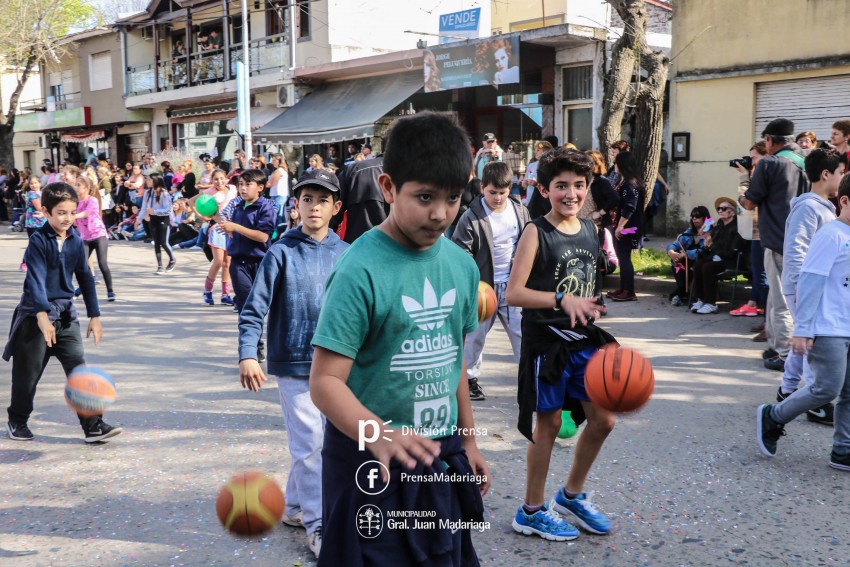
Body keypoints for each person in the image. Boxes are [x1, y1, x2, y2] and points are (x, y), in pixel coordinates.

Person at [309, 112, 490, 565]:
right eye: (424, 196)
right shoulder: (359, 270)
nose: (440, 213)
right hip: (368, 461)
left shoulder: (462, 267)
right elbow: (325, 383)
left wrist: (467, 441)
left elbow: (453, 361)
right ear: (388, 188)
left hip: (439, 455)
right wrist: (378, 433)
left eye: (453, 198)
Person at [506, 148, 616, 541]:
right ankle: (532, 510)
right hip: (547, 344)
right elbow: (514, 294)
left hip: (583, 342)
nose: (571, 194)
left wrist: (590, 307)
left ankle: (570, 496)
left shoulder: (591, 229)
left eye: (579, 186)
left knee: (603, 420)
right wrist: (559, 299)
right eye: (561, 186)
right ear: (543, 188)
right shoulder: (536, 230)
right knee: (549, 424)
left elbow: (587, 283)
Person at [238, 169, 348, 558]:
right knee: (311, 445)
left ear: (335, 207)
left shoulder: (347, 254)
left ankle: (297, 507)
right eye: (306, 199)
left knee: (323, 445)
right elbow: (254, 309)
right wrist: (249, 353)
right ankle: (319, 526)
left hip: (338, 369)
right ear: (295, 205)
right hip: (293, 366)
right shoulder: (281, 251)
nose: (313, 206)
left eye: (322, 200)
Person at [3, 182, 121, 443]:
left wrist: (95, 315)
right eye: (61, 213)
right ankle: (17, 420)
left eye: (71, 212)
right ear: (46, 212)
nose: (67, 218)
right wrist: (42, 317)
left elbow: (86, 279)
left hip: (67, 318)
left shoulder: (76, 240)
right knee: (27, 376)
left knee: (79, 371)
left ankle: (92, 425)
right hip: (36, 319)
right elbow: (34, 279)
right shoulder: (38, 240)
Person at [756, 177, 850, 470]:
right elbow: (810, 281)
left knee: (849, 392)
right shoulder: (832, 234)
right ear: (844, 201)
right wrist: (804, 327)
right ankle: (774, 416)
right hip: (828, 327)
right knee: (826, 388)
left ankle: (843, 450)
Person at [776, 149, 846, 424]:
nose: (842, 177)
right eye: (840, 172)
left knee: (803, 339)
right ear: (826, 174)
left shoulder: (824, 208)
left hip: (813, 285)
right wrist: (800, 288)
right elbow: (796, 251)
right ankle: (815, 401)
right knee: (810, 338)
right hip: (802, 285)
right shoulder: (808, 207)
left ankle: (787, 389)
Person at [452, 161, 529, 401]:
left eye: (502, 192)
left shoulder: (520, 211)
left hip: (514, 286)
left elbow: (529, 244)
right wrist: (473, 282)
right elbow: (460, 251)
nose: (497, 197)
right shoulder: (471, 217)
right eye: (492, 192)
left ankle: (529, 378)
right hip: (482, 288)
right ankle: (469, 379)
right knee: (475, 336)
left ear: (511, 189)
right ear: (482, 188)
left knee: (522, 333)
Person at [740, 118, 810, 372]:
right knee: (783, 297)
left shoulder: (769, 164)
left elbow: (749, 203)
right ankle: (774, 342)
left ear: (769, 140)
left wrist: (742, 185)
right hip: (806, 239)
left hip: (779, 239)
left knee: (781, 298)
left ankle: (784, 353)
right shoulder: (808, 159)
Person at [218, 169, 277, 317]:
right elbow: (228, 223)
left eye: (248, 184)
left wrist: (236, 227)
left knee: (258, 305)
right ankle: (250, 340)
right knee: (245, 305)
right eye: (240, 184)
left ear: (260, 187)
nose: (243, 188)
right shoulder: (237, 205)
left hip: (260, 262)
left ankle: (256, 338)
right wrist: (227, 228)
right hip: (238, 262)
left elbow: (263, 237)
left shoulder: (266, 207)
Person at [730, 142, 769, 322]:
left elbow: (747, 202)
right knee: (760, 273)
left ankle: (771, 323)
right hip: (759, 230)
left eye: (754, 157)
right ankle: (756, 306)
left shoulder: (766, 175)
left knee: (762, 276)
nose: (751, 162)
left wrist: (744, 178)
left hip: (763, 232)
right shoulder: (766, 173)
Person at [688, 197, 745, 314]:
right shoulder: (719, 226)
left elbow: (732, 251)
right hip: (717, 257)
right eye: (719, 208)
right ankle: (700, 299)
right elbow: (712, 245)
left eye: (724, 208)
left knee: (707, 267)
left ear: (732, 212)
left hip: (731, 260)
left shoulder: (738, 228)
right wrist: (707, 241)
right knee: (698, 264)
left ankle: (711, 303)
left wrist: (712, 246)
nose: (720, 211)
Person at [607, 151, 644, 302]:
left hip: (629, 228)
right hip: (624, 226)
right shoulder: (626, 181)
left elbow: (630, 207)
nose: (614, 165)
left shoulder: (630, 184)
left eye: (617, 162)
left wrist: (620, 227)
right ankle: (623, 288)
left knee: (624, 258)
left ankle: (629, 291)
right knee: (623, 258)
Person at [74, 175, 116, 301]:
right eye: (75, 185)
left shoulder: (92, 200)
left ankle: (110, 291)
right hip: (85, 237)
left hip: (98, 235)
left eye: (78, 185)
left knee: (102, 263)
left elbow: (86, 213)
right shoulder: (75, 202)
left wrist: (73, 216)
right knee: (81, 266)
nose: (75, 187)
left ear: (86, 188)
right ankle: (82, 288)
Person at [200, 168, 237, 306]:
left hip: (232, 228)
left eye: (222, 178)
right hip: (217, 229)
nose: (219, 181)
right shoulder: (209, 192)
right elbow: (193, 203)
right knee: (219, 261)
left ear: (226, 179)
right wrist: (206, 217)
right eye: (216, 179)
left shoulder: (233, 189)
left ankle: (225, 294)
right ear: (212, 181)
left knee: (228, 263)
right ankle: (208, 291)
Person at [665, 206, 709, 306]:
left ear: (705, 218)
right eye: (692, 216)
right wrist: (671, 251)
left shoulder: (709, 233)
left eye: (697, 216)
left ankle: (681, 293)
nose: (694, 219)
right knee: (677, 261)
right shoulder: (689, 232)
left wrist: (685, 254)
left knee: (684, 261)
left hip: (700, 261)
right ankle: (682, 292)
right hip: (684, 261)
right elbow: (675, 244)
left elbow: (703, 251)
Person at [137, 173, 176, 275]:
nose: (148, 181)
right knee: (156, 242)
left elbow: (168, 209)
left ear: (155, 181)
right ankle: (160, 266)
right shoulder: (147, 193)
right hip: (153, 219)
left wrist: (155, 211)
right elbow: (144, 208)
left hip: (163, 219)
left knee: (164, 242)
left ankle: (172, 259)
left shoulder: (164, 193)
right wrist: (138, 220)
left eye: (149, 180)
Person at [21, 176, 47, 272]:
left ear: (40, 183)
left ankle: (40, 263)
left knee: (42, 243)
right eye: (32, 183)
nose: (34, 185)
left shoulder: (41, 193)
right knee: (33, 243)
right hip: (33, 222)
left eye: (36, 183)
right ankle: (24, 262)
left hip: (42, 221)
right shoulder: (32, 194)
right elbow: (39, 208)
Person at [524, 141, 554, 218]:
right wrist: (525, 182)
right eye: (535, 150)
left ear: (546, 151)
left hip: (546, 202)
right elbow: (524, 185)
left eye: (538, 150)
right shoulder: (531, 165)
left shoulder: (551, 166)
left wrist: (537, 184)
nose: (535, 152)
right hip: (531, 201)